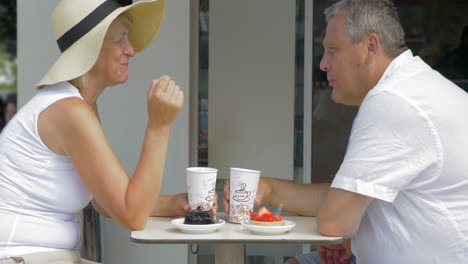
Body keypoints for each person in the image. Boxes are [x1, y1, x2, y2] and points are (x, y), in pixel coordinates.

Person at [223, 0, 468, 263]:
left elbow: (334, 222)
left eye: (332, 51)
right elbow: (344, 198)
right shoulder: (412, 86)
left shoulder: (394, 101)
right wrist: (269, 190)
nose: (323, 64)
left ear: (370, 46)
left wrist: (348, 231)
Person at [0, 0, 214, 263]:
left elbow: (106, 202)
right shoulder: (69, 111)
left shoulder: (80, 105)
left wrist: (176, 205)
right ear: (92, 47)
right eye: (121, 38)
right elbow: (131, 214)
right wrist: (159, 126)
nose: (131, 50)